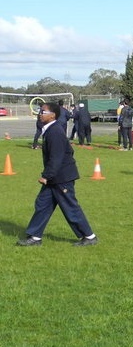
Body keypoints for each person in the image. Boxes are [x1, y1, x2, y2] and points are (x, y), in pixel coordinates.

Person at [16, 102, 98, 247]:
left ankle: (89, 236)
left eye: (43, 112)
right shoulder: (50, 130)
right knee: (42, 204)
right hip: (55, 177)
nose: (40, 114)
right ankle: (35, 237)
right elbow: (68, 151)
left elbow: (57, 157)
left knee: (69, 207)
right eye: (40, 111)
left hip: (61, 178)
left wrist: (47, 176)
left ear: (53, 115)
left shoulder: (55, 131)